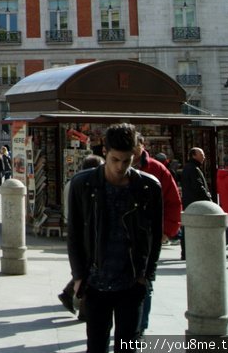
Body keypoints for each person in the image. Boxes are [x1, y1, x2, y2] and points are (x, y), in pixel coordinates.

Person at [67, 124, 162, 352]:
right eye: (115, 160)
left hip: (131, 282)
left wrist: (147, 276)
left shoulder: (149, 187)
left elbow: (155, 235)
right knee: (96, 345)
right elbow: (75, 234)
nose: (121, 166)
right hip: (96, 281)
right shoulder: (83, 184)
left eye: (127, 160)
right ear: (104, 153)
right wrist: (79, 276)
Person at [132, 134, 181, 335]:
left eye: (136, 144)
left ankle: (140, 327)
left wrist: (167, 232)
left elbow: (173, 201)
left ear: (143, 145)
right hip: (122, 236)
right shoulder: (116, 167)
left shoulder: (156, 168)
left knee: (145, 280)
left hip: (149, 235)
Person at [58, 154, 104, 319]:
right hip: (84, 228)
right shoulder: (84, 183)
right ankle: (81, 307)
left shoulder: (73, 182)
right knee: (88, 268)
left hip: (74, 224)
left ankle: (71, 296)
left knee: (85, 268)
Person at [180, 147, 211, 260]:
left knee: (188, 228)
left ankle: (186, 252)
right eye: (201, 155)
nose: (203, 157)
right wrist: (208, 199)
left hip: (190, 202)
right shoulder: (193, 169)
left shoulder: (190, 168)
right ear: (193, 156)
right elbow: (198, 187)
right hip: (195, 203)